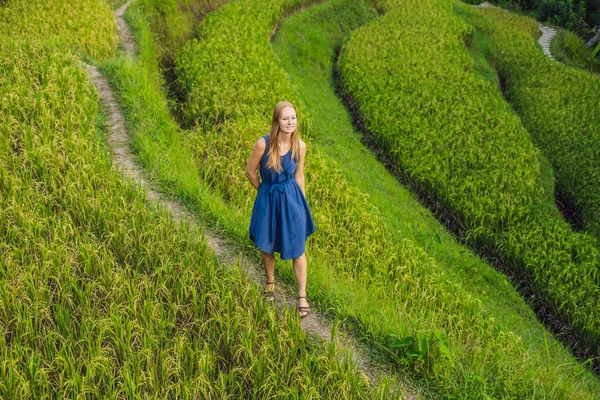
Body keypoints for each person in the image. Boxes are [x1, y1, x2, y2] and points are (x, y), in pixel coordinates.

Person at [246, 101, 315, 318]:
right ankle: (270, 284)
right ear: (277, 121)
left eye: (293, 118)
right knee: (267, 245)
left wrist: (301, 205)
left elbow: (299, 175)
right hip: (268, 198)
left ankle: (302, 295)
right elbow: (250, 172)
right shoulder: (263, 144)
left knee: (298, 249)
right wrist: (263, 192)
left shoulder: (300, 146)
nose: (290, 122)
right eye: (285, 118)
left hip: (292, 200)